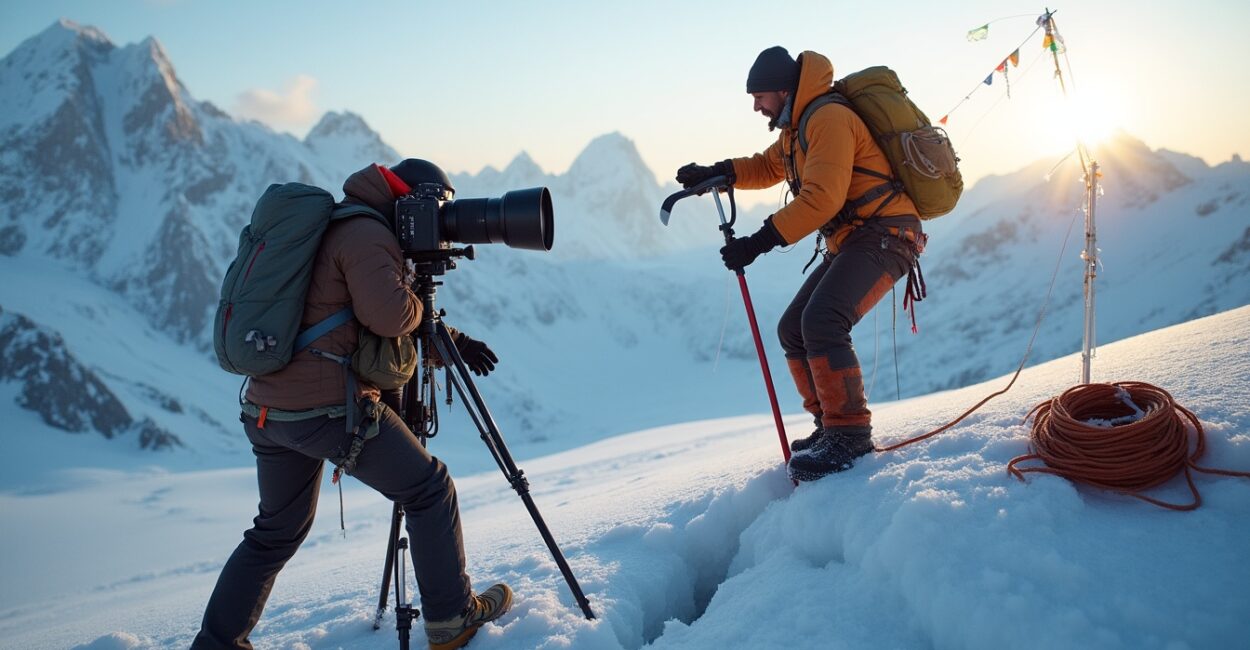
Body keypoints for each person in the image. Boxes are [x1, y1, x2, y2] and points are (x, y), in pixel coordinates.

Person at [193, 160, 511, 650]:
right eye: (438, 210)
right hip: (328, 411)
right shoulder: (366, 233)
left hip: (268, 410)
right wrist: (421, 301)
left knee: (274, 533)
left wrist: (452, 341)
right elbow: (389, 315)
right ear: (412, 202)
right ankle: (452, 620)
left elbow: (351, 323)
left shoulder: (334, 225)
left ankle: (216, 644)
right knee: (430, 490)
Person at [676, 47, 925, 482]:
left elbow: (823, 198)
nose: (756, 105)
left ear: (784, 89)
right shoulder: (797, 128)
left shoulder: (826, 118)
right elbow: (768, 166)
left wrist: (759, 241)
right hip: (857, 238)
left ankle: (849, 435)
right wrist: (719, 172)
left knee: (824, 320)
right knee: (793, 328)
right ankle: (829, 425)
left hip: (887, 234)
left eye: (759, 96)